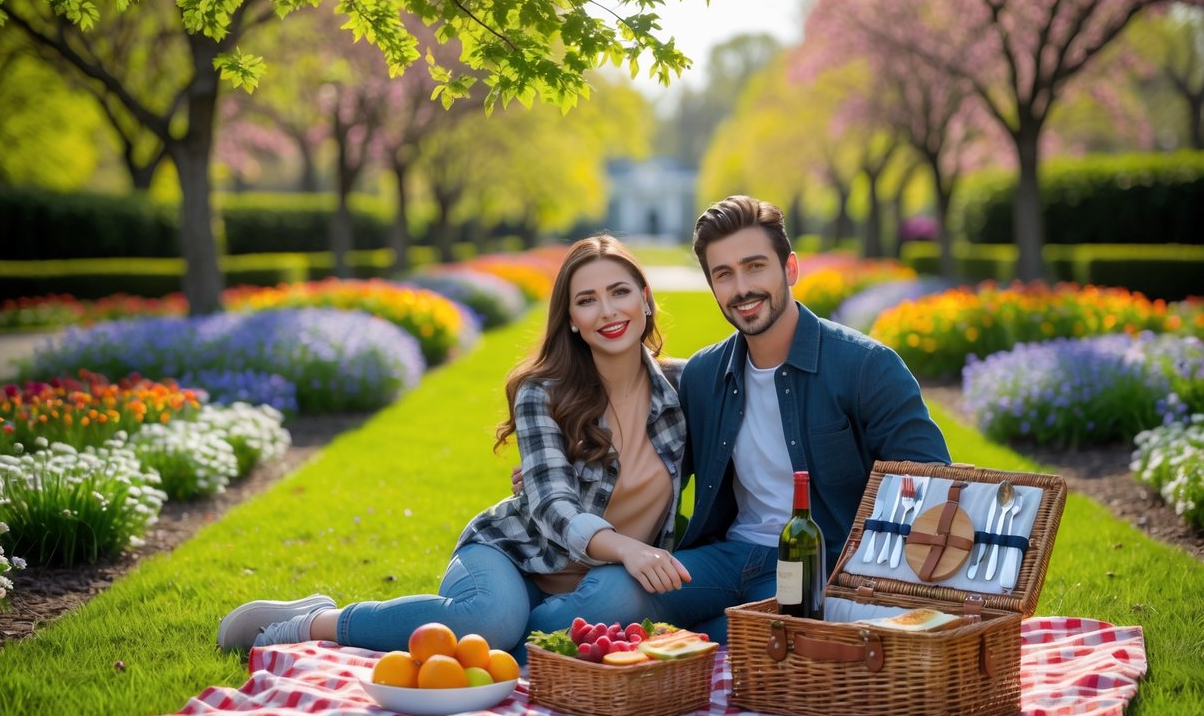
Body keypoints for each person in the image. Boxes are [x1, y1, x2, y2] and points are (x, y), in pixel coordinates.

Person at [216, 235, 689, 655]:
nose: (607, 311)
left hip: (599, 583)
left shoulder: (687, 388)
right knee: (491, 621)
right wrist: (628, 547)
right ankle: (314, 622)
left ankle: (504, 642)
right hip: (513, 554)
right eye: (587, 300)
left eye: (620, 292)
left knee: (595, 611)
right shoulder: (543, 392)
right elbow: (551, 506)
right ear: (570, 319)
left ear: (645, 300)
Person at [522, 195, 950, 642]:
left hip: (817, 568)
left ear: (790, 270)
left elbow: (933, 484)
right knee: (597, 604)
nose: (742, 288)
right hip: (722, 559)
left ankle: (694, 637)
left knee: (763, 641)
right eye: (724, 274)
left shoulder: (866, 368)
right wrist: (565, 464)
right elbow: (649, 446)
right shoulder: (704, 376)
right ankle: (495, 637)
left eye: (755, 266)